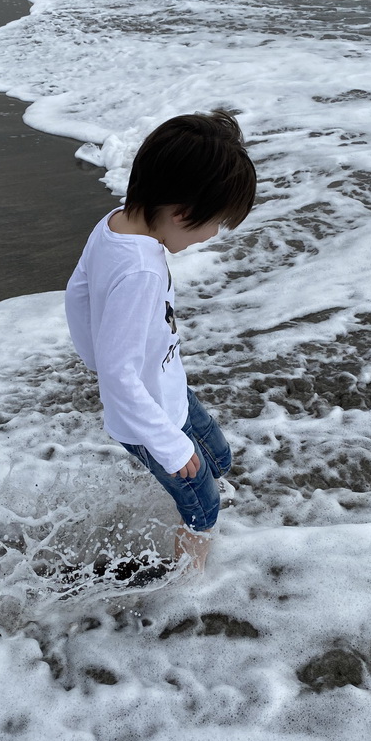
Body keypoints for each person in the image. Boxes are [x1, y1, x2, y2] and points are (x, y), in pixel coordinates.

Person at [65, 111, 257, 571]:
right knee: (203, 507)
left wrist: (96, 353)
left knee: (218, 457)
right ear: (182, 213)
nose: (212, 236)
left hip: (167, 383)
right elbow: (118, 373)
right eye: (214, 225)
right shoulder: (142, 271)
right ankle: (190, 587)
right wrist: (168, 446)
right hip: (150, 410)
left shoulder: (115, 223)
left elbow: (78, 292)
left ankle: (203, 496)